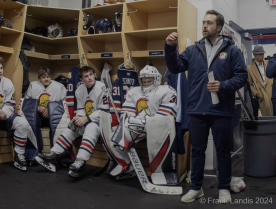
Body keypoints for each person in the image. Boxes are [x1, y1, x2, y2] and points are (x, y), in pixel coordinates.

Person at [165, 10, 248, 203]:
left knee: (223, 151)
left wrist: (223, 85)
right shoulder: (194, 50)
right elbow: (175, 67)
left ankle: (224, 188)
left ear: (219, 27)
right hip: (197, 109)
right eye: (203, 22)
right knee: (197, 151)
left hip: (221, 110)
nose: (204, 26)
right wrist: (169, 48)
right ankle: (196, 188)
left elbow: (242, 76)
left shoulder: (232, 50)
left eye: (209, 23)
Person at [99, 65, 179, 183]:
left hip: (159, 128)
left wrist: (141, 121)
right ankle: (127, 165)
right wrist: (136, 122)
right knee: (113, 139)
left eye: (149, 80)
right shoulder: (134, 91)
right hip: (138, 126)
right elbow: (127, 114)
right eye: (144, 80)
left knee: (151, 134)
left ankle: (163, 175)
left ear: (156, 79)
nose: (146, 83)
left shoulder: (167, 90)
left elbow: (164, 118)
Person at [35, 66, 110, 178]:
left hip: (102, 122)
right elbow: (80, 108)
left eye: (91, 74)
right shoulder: (79, 90)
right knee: (72, 125)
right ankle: (53, 154)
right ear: (82, 79)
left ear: (94, 74)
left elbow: (104, 111)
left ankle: (79, 161)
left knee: (91, 128)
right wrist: (79, 118)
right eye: (86, 76)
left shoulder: (102, 88)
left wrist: (86, 119)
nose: (90, 78)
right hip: (88, 119)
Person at [22, 67, 69, 165]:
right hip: (38, 116)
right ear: (39, 78)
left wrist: (52, 110)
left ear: (50, 77)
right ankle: (33, 155)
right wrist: (37, 107)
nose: (46, 79)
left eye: (48, 76)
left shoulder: (59, 86)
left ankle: (61, 155)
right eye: (43, 77)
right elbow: (27, 102)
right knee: (30, 118)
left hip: (55, 117)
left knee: (60, 120)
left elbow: (65, 104)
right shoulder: (33, 85)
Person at [247, 44, 273, 116]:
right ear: (254, 55)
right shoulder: (249, 68)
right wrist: (256, 93)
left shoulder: (269, 63)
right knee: (267, 115)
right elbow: (250, 84)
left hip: (271, 91)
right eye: (260, 54)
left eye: (263, 53)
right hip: (262, 93)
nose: (262, 55)